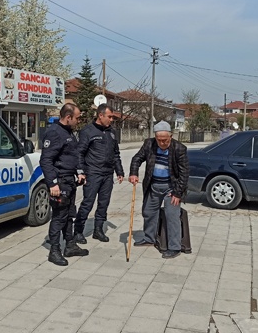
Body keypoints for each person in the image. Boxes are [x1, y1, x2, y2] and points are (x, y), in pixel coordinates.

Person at [129, 120, 189, 259]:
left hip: (171, 188)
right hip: (154, 185)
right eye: (159, 140)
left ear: (171, 136)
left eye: (165, 140)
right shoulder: (149, 144)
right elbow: (137, 158)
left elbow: (184, 173)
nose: (162, 143)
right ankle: (149, 238)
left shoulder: (179, 149)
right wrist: (133, 173)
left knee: (172, 215)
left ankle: (174, 247)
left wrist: (178, 193)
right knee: (148, 212)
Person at [39, 103, 89, 266]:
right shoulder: (54, 133)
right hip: (59, 183)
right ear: (68, 117)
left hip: (69, 181)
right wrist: (53, 184)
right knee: (59, 217)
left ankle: (70, 245)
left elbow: (72, 156)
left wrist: (79, 171)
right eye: (77, 118)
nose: (78, 121)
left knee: (69, 216)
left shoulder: (69, 132)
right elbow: (46, 160)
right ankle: (54, 250)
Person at [74, 104, 124, 243]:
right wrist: (81, 171)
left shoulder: (112, 133)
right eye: (109, 116)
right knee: (87, 203)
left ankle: (98, 230)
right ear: (100, 115)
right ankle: (78, 231)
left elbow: (116, 154)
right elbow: (80, 153)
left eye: (112, 117)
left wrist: (119, 171)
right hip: (93, 173)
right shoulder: (87, 131)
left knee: (104, 203)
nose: (111, 119)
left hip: (107, 175)